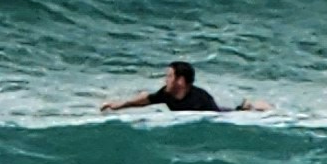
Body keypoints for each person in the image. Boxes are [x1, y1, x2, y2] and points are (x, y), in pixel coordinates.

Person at [102, 61, 262, 113]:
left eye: (170, 76)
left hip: (219, 113)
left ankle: (247, 106)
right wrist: (121, 104)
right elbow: (148, 99)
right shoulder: (167, 93)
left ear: (181, 81)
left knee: (235, 112)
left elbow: (216, 120)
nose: (166, 80)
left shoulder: (200, 99)